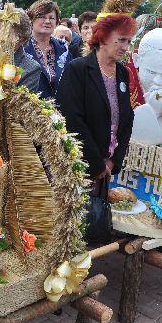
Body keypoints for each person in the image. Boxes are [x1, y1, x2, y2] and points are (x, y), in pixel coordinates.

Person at [57, 15, 136, 199]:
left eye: (129, 41)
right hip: (77, 165)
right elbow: (71, 119)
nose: (125, 47)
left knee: (96, 220)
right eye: (121, 40)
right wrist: (96, 163)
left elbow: (127, 119)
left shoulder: (123, 72)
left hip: (104, 169)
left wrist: (112, 161)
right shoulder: (78, 69)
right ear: (103, 37)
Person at [24, 0, 72, 101]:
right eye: (42, 17)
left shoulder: (63, 49)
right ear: (31, 19)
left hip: (61, 111)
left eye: (52, 18)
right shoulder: (21, 48)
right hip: (28, 110)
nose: (47, 21)